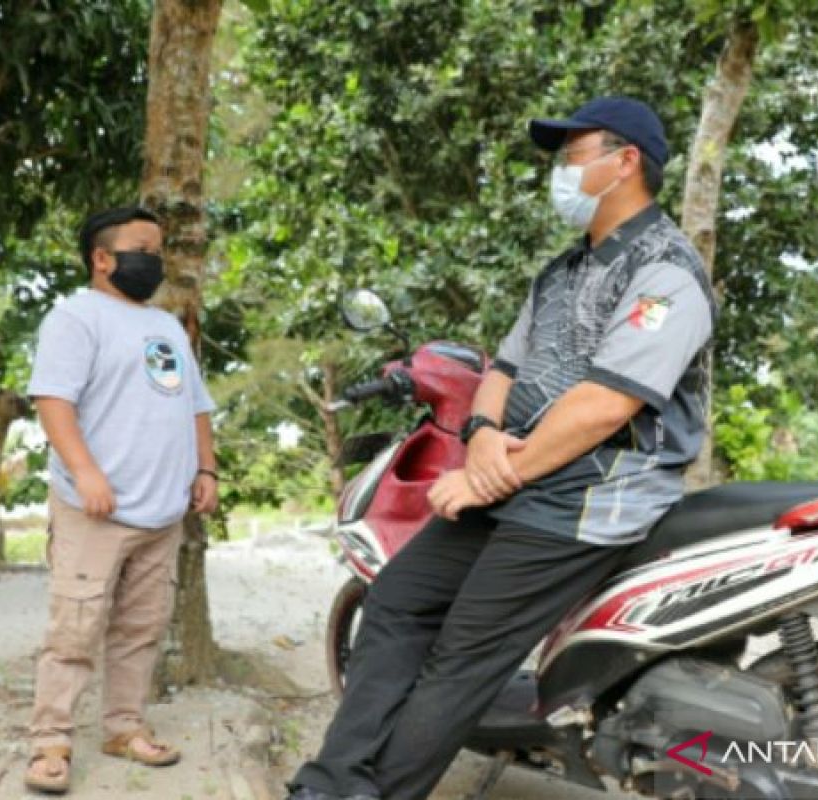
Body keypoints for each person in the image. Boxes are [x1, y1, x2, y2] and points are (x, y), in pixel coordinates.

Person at [286, 96, 717, 800]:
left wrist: (490, 477)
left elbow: (607, 404)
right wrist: (482, 437)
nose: (561, 171)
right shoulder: (563, 272)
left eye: (573, 156)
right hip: (522, 482)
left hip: (591, 500)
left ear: (624, 162)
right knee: (395, 601)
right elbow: (502, 371)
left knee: (460, 659)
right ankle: (331, 784)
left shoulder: (665, 272)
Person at [24, 207, 219, 795]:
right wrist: (86, 474)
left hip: (163, 510)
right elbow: (52, 400)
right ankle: (50, 741)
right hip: (96, 509)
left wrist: (205, 467)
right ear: (102, 258)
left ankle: (123, 728)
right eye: (141, 249)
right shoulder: (74, 318)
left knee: (141, 627)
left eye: (158, 252)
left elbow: (196, 405)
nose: (153, 262)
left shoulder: (164, 327)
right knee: (75, 628)